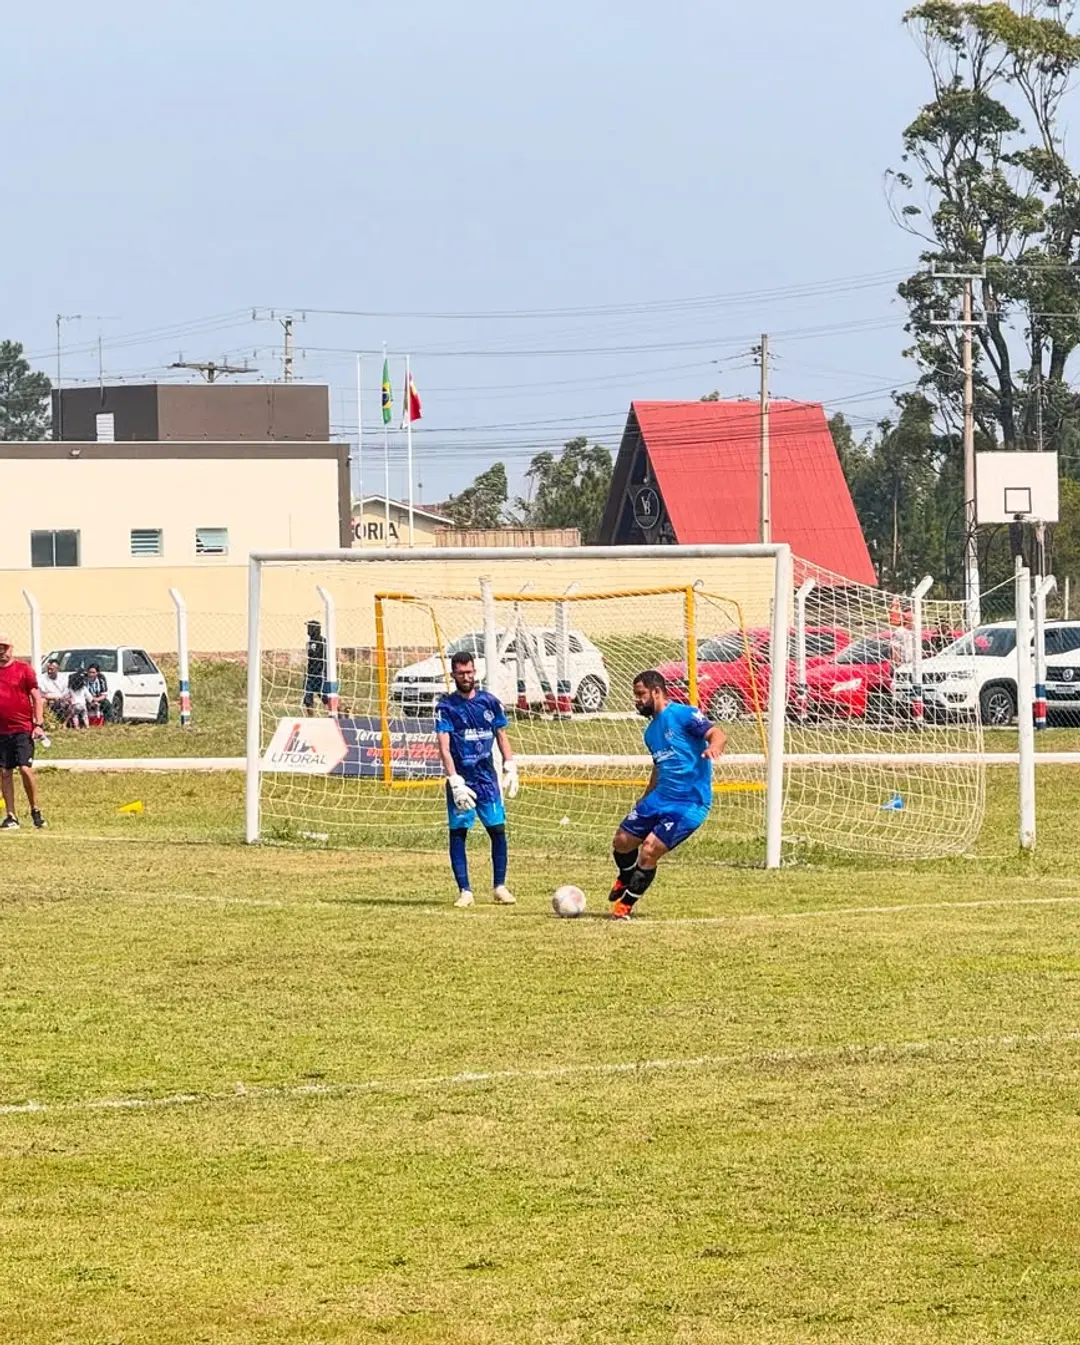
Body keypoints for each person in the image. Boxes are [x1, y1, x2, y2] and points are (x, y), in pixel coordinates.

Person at [609, 670, 726, 920]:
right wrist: (645, 796)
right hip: (660, 797)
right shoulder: (650, 733)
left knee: (649, 849)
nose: (637, 700)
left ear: (656, 691)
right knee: (621, 840)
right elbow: (658, 767)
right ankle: (626, 875)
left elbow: (717, 733)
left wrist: (714, 747)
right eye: (635, 695)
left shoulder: (684, 715)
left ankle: (625, 905)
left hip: (689, 802)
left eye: (640, 694)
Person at [435, 652, 520, 908]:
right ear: (453, 675)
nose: (466, 677)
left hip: (486, 780)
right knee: (459, 832)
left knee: (497, 829)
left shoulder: (489, 702)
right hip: (462, 780)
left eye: (470, 672)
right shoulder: (446, 707)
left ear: (475, 672)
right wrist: (454, 780)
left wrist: (509, 764)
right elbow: (444, 747)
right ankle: (465, 891)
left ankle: (500, 886)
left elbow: (501, 734)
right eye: (461, 673)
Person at [0, 632, 47, 830]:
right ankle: (11, 815)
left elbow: (36, 696)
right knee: (4, 771)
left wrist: (38, 723)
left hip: (22, 728)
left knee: (24, 768)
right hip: (2, 731)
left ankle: (35, 810)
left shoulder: (23, 670)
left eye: (4, 648)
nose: (1, 652)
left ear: (11, 649)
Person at [303, 619, 328, 715]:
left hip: (320, 674)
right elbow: (310, 659)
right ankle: (310, 717)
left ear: (315, 629)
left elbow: (325, 658)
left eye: (309, 628)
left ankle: (339, 713)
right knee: (308, 698)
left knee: (325, 697)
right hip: (310, 675)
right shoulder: (309, 643)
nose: (308, 630)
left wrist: (323, 672)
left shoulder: (323, 642)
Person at [38, 659, 71, 724]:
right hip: (47, 699)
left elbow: (66, 691)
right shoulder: (41, 678)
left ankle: (65, 723)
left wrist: (59, 696)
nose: (49, 671)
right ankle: (43, 722)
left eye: (52, 669)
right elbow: (41, 693)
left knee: (73, 701)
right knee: (42, 701)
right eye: (48, 669)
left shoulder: (64, 677)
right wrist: (52, 696)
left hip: (62, 698)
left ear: (57, 669)